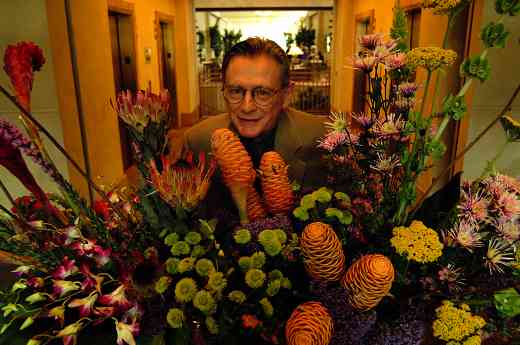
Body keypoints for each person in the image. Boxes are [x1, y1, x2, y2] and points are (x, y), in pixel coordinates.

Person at [180, 37, 326, 219]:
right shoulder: (197, 141)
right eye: (235, 91)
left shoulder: (320, 138)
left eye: (262, 93)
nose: (247, 107)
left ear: (287, 95)